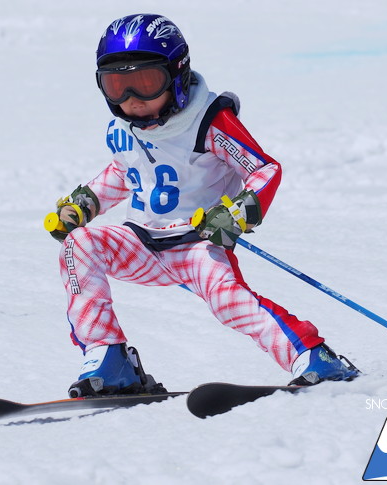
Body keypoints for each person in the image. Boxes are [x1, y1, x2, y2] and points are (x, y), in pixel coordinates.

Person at [47, 14, 359, 398]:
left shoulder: (209, 121)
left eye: (145, 83)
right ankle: (109, 359)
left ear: (176, 75)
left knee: (229, 302)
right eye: (117, 86)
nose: (131, 100)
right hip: (142, 243)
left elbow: (263, 170)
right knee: (80, 246)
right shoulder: (122, 128)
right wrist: (86, 203)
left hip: (198, 242)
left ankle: (313, 357)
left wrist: (237, 212)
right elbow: (124, 172)